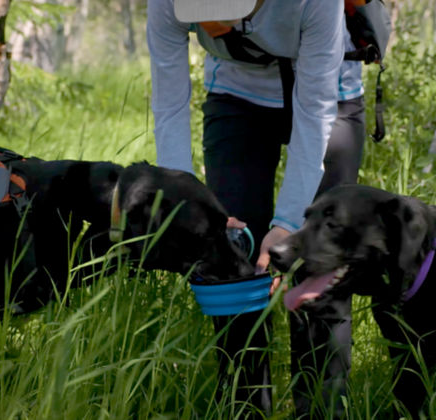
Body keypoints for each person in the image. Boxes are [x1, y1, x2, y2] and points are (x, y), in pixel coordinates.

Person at [147, 0, 365, 417]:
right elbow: (169, 103)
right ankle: (243, 406)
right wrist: (187, 203)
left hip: (330, 96)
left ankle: (321, 410)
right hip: (236, 96)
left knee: (320, 261)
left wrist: (287, 223)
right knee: (231, 256)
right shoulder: (169, 2)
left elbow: (315, 108)